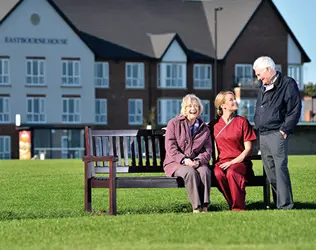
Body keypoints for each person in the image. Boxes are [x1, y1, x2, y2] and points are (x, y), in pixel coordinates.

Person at [253, 56, 301, 210]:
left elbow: (294, 109)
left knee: (280, 169)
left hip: (278, 133)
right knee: (270, 171)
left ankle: (285, 205)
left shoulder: (287, 83)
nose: (258, 78)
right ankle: (278, 202)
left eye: (259, 74)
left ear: (268, 69)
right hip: (264, 134)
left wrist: (285, 129)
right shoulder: (263, 87)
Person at [163, 94, 212, 213]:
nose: (193, 109)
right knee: (190, 173)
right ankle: (196, 207)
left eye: (196, 106)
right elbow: (171, 148)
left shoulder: (204, 128)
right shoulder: (174, 124)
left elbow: (208, 150)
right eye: (189, 106)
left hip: (196, 162)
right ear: (184, 108)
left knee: (205, 171)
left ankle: (204, 206)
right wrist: (184, 160)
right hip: (176, 163)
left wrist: (199, 161)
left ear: (199, 109)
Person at [210, 91, 257, 211]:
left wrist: (232, 162)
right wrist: (173, 128)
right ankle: (233, 203)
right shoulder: (214, 124)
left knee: (232, 172)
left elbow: (248, 149)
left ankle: (238, 208)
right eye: (231, 99)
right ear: (223, 105)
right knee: (217, 174)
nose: (235, 101)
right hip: (222, 162)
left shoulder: (242, 122)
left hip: (241, 163)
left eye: (234, 99)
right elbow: (194, 130)